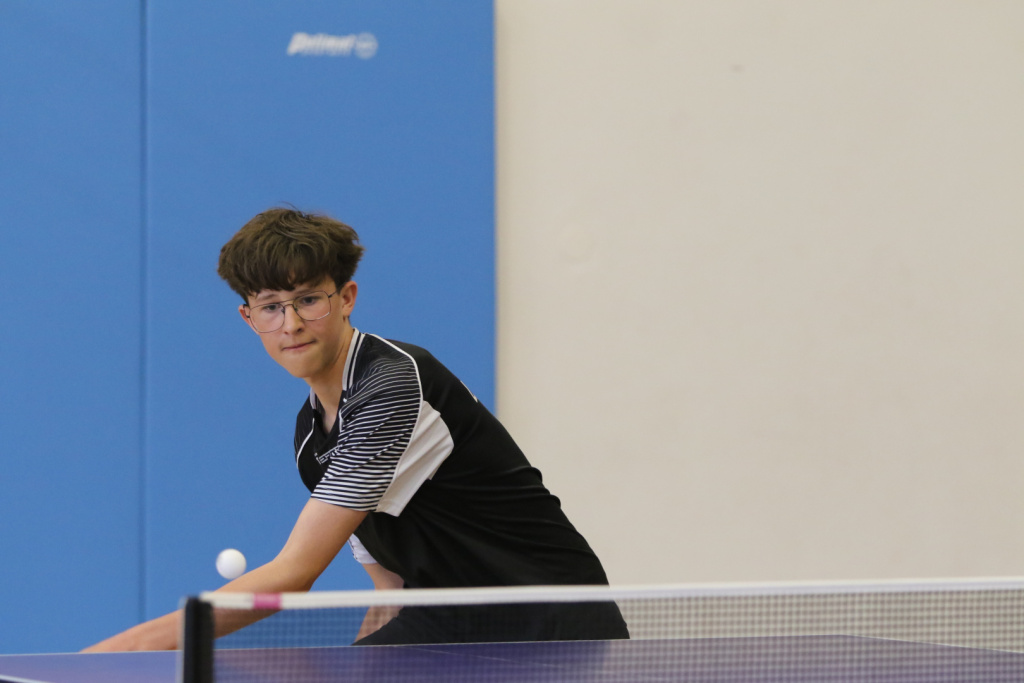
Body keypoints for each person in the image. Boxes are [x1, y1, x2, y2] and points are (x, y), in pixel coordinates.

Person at [85, 207, 627, 651]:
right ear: (249, 319)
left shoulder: (391, 385)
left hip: (548, 620)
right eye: (271, 307)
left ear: (346, 298)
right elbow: (389, 589)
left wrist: (126, 649)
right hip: (449, 626)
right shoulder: (312, 440)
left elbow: (294, 573)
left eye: (308, 300)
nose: (291, 324)